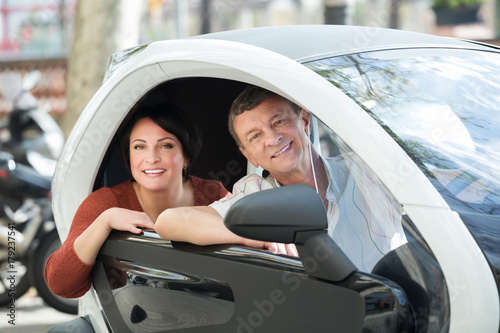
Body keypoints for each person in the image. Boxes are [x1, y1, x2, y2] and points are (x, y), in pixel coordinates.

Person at [155, 86, 407, 271]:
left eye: (279, 121)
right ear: (249, 156)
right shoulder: (253, 194)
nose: (272, 138)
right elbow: (169, 221)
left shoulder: (366, 169)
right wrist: (248, 234)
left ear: (305, 121)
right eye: (254, 136)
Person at [44, 103, 230, 298]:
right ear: (129, 156)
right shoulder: (106, 203)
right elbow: (59, 284)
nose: (151, 158)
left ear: (186, 157)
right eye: (139, 147)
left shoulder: (213, 194)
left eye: (166, 146)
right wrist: (105, 220)